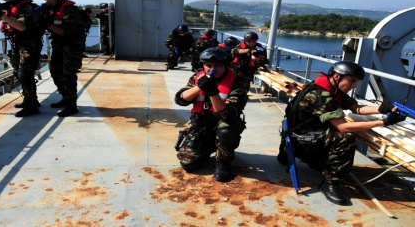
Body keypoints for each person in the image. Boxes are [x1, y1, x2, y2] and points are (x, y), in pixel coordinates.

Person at [277, 60, 406, 205]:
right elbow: (343, 127)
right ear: (337, 76)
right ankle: (330, 182)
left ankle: (286, 153)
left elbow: (356, 108)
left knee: (339, 134)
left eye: (356, 82)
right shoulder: (322, 95)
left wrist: (383, 109)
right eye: (352, 81)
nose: (354, 86)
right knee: (345, 138)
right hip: (303, 139)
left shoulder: (331, 88)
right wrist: (384, 122)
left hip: (300, 131)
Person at [174, 47, 248, 182]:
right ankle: (208, 147)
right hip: (202, 125)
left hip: (223, 123)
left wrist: (213, 92)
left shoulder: (238, 82)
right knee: (188, 164)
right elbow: (180, 99)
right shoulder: (197, 77)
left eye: (218, 65)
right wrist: (200, 87)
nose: (213, 69)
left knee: (226, 130)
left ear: (225, 66)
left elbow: (228, 113)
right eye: (209, 65)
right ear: (203, 65)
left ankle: (223, 161)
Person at [0, 0, 45, 117]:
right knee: (18, 73)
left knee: (25, 74)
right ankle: (30, 100)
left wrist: (1, 15)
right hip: (17, 43)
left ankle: (32, 105)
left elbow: (22, 27)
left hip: (29, 44)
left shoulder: (28, 7)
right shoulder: (10, 7)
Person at [36, 0, 86, 117]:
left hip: (72, 46)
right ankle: (65, 97)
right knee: (55, 71)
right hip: (59, 45)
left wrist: (47, 23)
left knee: (68, 74)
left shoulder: (70, 11)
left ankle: (71, 105)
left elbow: (65, 32)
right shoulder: (53, 10)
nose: (47, 1)